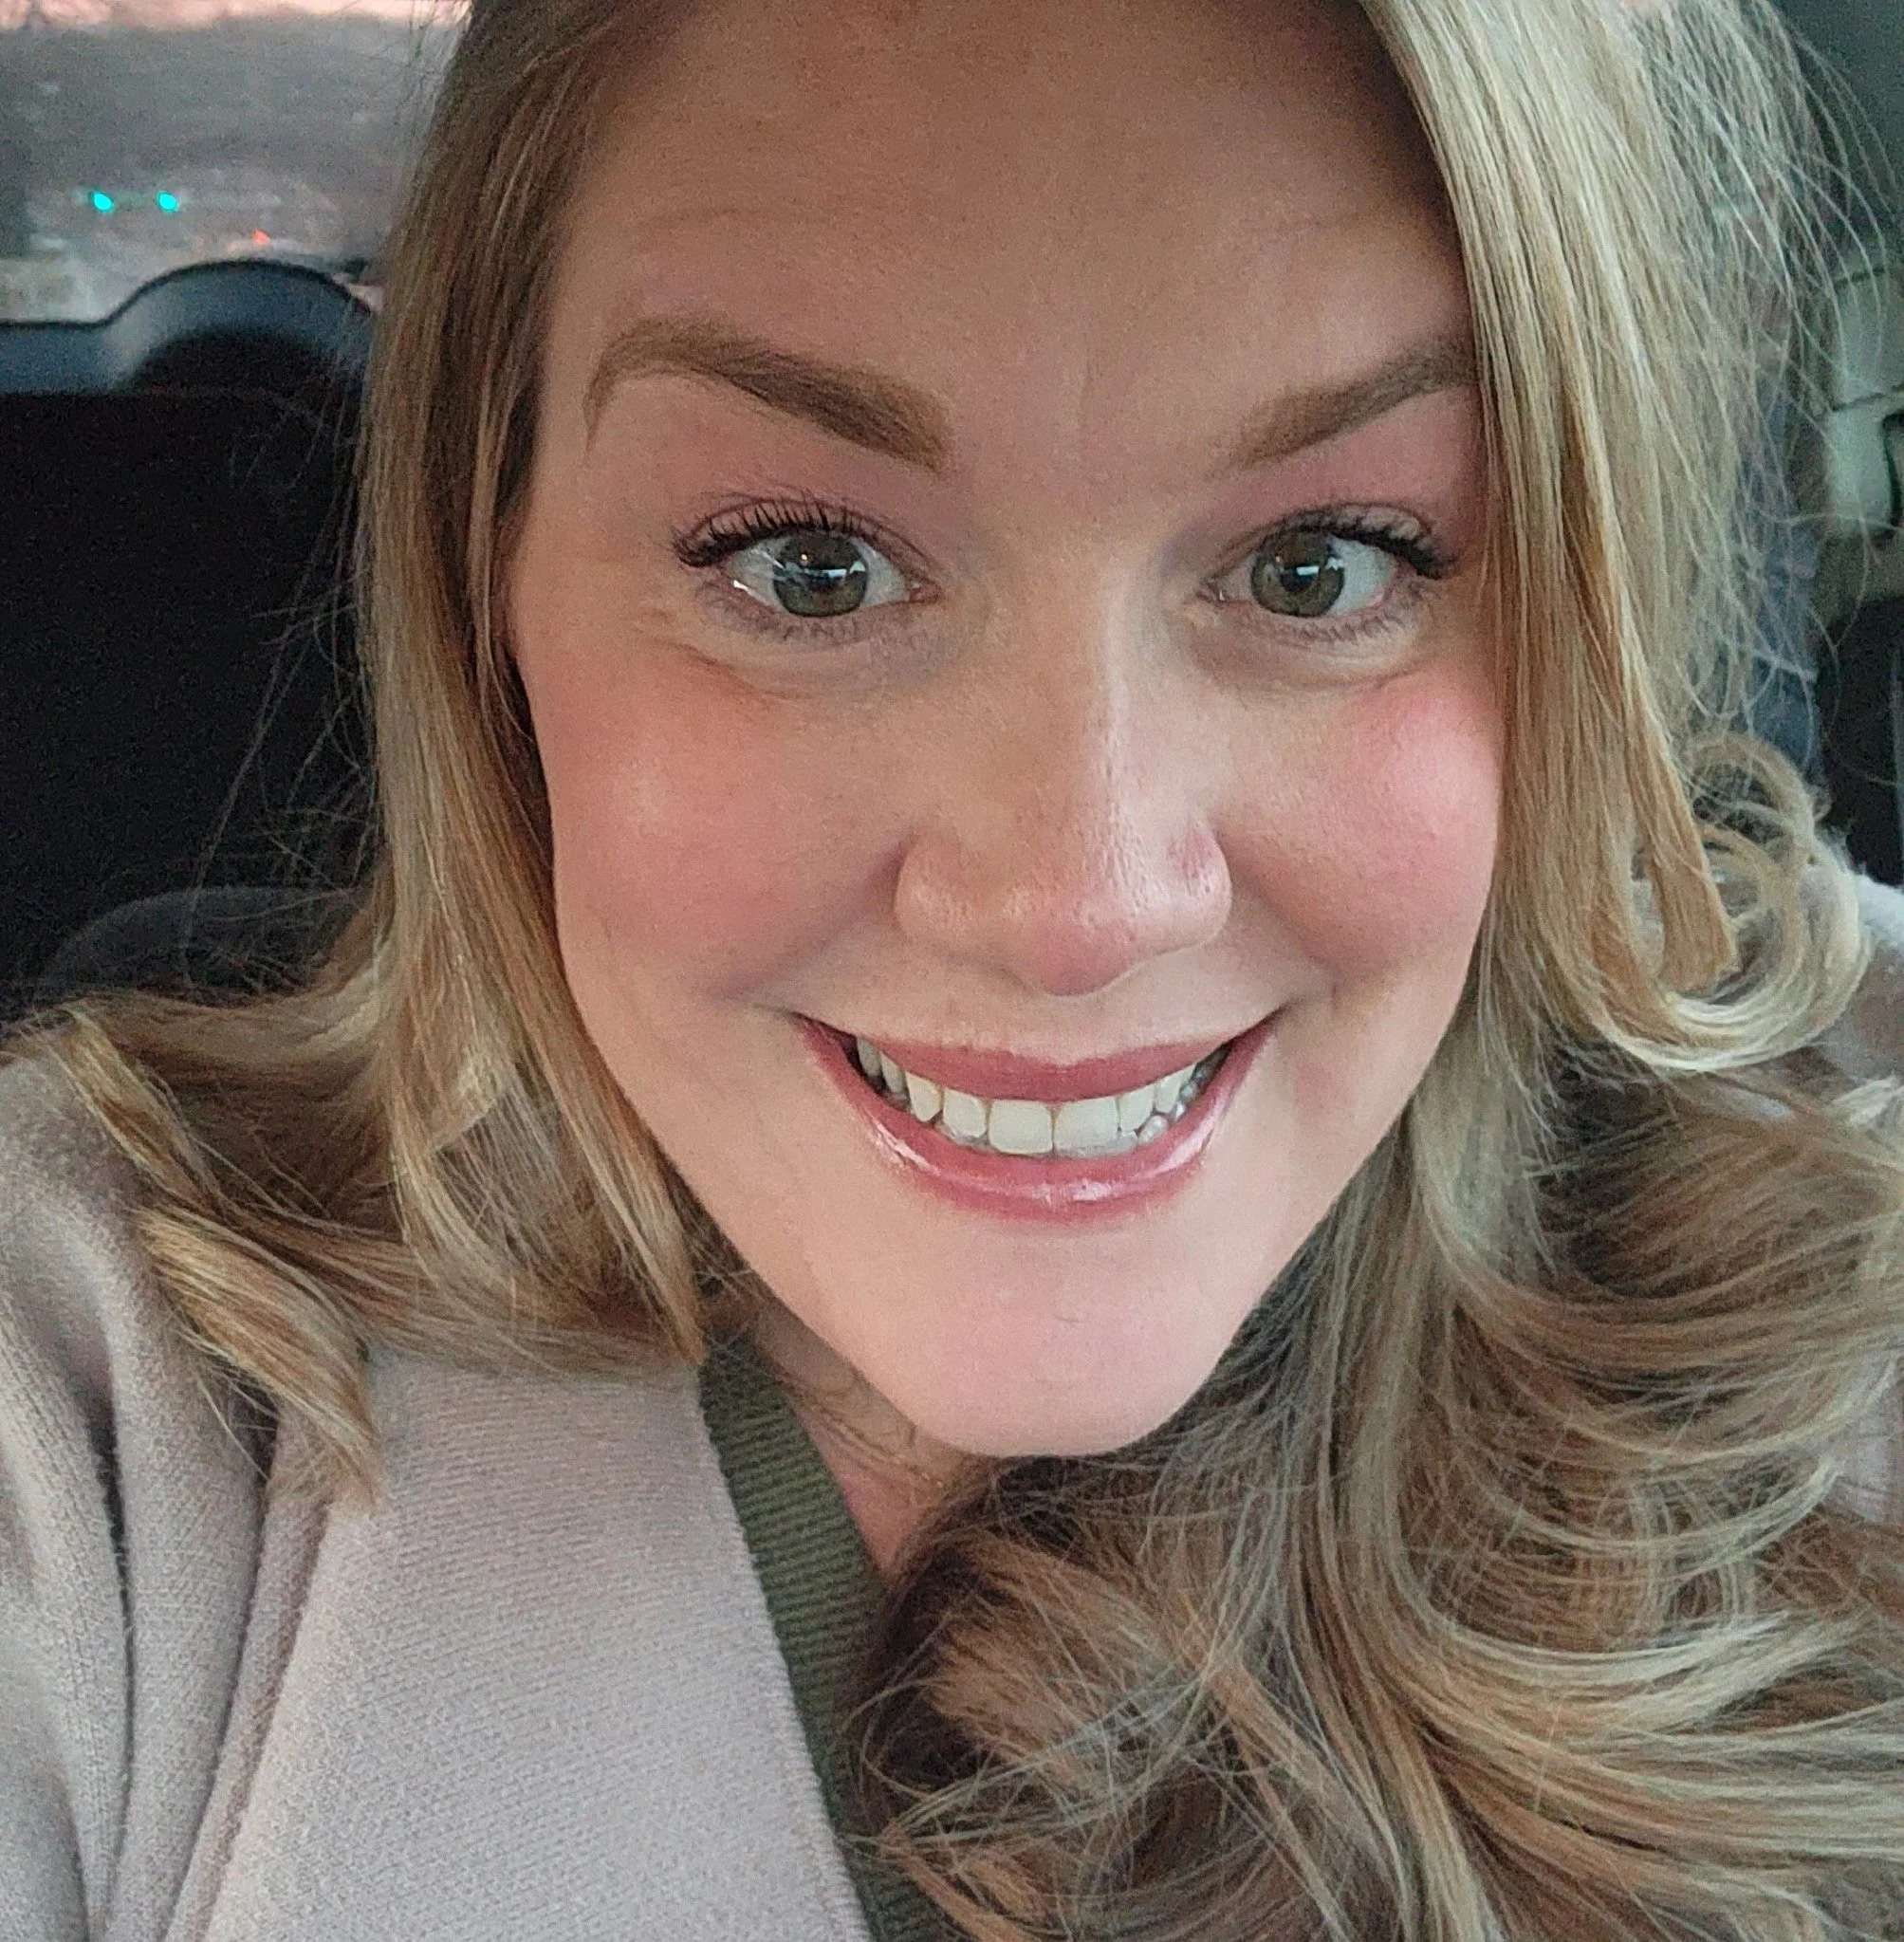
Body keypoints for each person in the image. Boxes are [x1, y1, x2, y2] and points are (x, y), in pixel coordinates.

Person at [6, 0, 1904, 1935]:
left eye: (1326, 563)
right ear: (485, 576)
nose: (1079, 904)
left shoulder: (1844, 1225)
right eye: (807, 565)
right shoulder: (95, 1398)